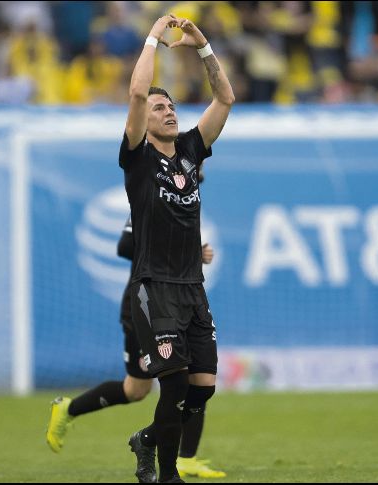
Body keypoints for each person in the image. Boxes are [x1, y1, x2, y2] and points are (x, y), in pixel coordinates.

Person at [119, 13, 234, 483]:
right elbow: (135, 93)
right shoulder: (138, 159)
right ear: (144, 120)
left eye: (171, 106)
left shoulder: (191, 149)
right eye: (158, 106)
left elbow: (225, 98)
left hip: (193, 288)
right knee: (173, 384)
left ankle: (146, 439)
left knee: (201, 389)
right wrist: (153, 38)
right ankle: (166, 473)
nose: (168, 111)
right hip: (154, 288)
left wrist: (202, 45)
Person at [46, 202, 225, 479]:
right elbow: (125, 246)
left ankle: (184, 455)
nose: (200, 163)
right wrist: (188, 252)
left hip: (180, 303)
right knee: (140, 389)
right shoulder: (152, 195)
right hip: (146, 306)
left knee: (190, 379)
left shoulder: (187, 197)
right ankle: (70, 409)